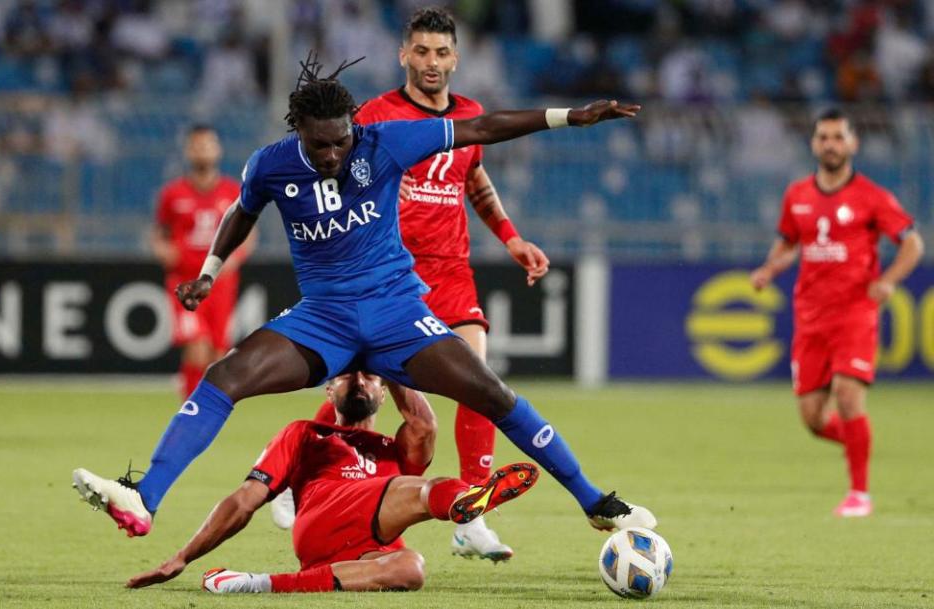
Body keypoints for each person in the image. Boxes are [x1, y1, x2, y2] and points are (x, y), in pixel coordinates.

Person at [72, 52, 656, 540]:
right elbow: (239, 212)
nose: (332, 156)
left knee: (491, 393)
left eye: (340, 142)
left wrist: (570, 116)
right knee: (224, 377)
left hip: (396, 313)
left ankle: (594, 502)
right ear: (298, 133)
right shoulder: (270, 166)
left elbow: (482, 128)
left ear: (353, 125)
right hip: (322, 320)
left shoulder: (386, 144)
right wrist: (211, 268)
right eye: (320, 146)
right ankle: (144, 497)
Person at [277, 7, 550, 561]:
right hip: (386, 272)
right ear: (404, 54)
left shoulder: (469, 116)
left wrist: (511, 237)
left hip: (450, 268)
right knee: (360, 394)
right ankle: (295, 479)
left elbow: (473, 176)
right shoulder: (376, 115)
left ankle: (473, 514)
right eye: (421, 51)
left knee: (478, 378)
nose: (431, 62)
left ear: (456, 58)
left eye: (442, 53)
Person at [125, 371, 540, 594]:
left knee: (411, 569)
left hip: (367, 545)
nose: (359, 381)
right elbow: (244, 500)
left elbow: (424, 423)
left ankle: (258, 584)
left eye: (370, 378)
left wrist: (392, 364)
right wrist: (184, 556)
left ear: (383, 393)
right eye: (346, 376)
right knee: (424, 488)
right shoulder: (304, 434)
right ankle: (466, 504)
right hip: (324, 515)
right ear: (328, 388)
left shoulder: (393, 446)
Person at [750, 108, 923, 517]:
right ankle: (860, 445)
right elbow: (790, 242)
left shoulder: (873, 197)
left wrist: (890, 280)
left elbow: (913, 244)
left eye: (838, 137)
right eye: (823, 137)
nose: (831, 144)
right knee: (812, 418)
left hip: (855, 312)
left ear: (853, 143)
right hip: (810, 315)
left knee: (848, 396)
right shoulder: (797, 195)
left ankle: (859, 493)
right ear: (814, 144)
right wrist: (770, 268)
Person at [151, 124, 250, 399]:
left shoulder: (232, 191)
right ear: (188, 151)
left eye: (207, 144)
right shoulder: (173, 194)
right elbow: (159, 233)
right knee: (197, 346)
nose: (202, 150)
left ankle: (204, 405)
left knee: (218, 352)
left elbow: (248, 231)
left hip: (221, 282)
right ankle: (191, 411)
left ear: (217, 149)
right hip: (185, 279)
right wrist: (163, 250)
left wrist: (238, 256)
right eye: (196, 145)